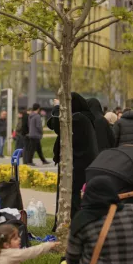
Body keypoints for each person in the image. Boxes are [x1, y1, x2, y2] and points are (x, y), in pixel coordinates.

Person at [48, 93, 98, 221]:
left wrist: (57, 107)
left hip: (76, 164)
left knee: (72, 196)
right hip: (79, 163)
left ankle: (70, 223)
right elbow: (53, 124)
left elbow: (58, 127)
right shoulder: (82, 117)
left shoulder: (78, 118)